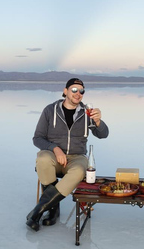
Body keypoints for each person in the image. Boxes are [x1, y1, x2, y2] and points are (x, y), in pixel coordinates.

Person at [26, 78, 109, 231]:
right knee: (43, 159)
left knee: (78, 171)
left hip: (77, 157)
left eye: (81, 91)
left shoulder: (86, 113)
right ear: (65, 91)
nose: (78, 94)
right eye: (74, 90)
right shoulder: (50, 110)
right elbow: (37, 138)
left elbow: (103, 134)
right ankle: (53, 209)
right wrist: (55, 149)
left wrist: (98, 122)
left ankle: (39, 210)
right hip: (53, 156)